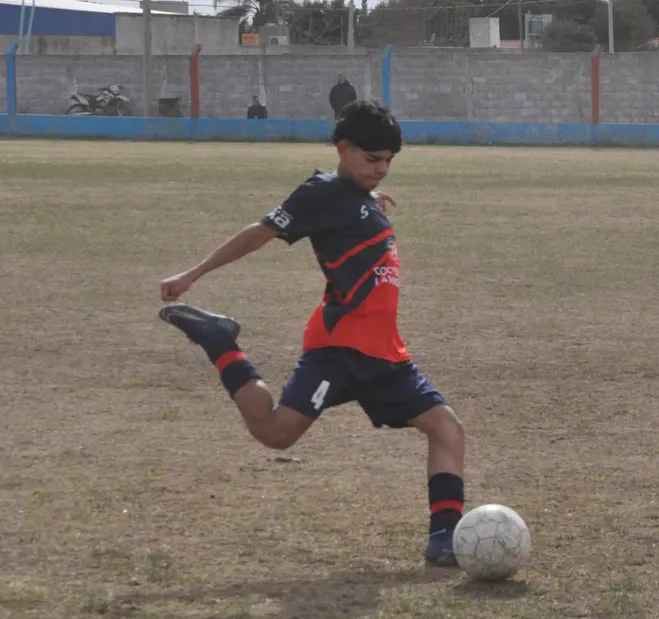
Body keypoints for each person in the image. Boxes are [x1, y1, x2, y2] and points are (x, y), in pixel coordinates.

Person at [156, 100, 466, 567]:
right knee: (276, 434)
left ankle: (446, 538)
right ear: (343, 149)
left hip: (385, 353)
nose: (380, 170)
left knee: (446, 428)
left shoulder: (354, 195)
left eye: (388, 162)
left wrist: (367, 198)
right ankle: (221, 342)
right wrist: (192, 274)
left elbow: (352, 215)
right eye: (371, 160)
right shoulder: (321, 192)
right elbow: (259, 232)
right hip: (338, 349)